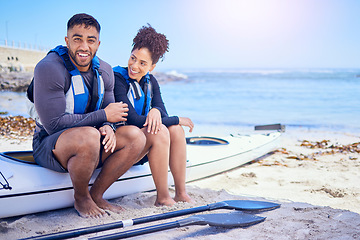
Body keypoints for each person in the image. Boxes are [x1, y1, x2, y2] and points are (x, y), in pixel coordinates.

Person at [32, 13, 145, 218]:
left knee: (135, 136)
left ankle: (97, 194)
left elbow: (114, 113)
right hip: (49, 145)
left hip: (90, 138)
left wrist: (109, 127)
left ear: (98, 44)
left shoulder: (105, 70)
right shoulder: (49, 68)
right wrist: (102, 117)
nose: (84, 46)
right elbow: (54, 125)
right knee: (90, 135)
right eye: (77, 39)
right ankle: (81, 198)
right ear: (67, 41)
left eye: (90, 40)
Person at [113, 24, 194, 206]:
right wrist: (176, 118)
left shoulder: (151, 82)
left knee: (176, 130)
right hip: (124, 147)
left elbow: (162, 112)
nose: (134, 66)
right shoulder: (117, 79)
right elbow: (132, 119)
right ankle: (163, 197)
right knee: (162, 130)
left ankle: (181, 192)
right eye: (133, 58)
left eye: (142, 63)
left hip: (143, 146)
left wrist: (157, 110)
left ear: (152, 67)